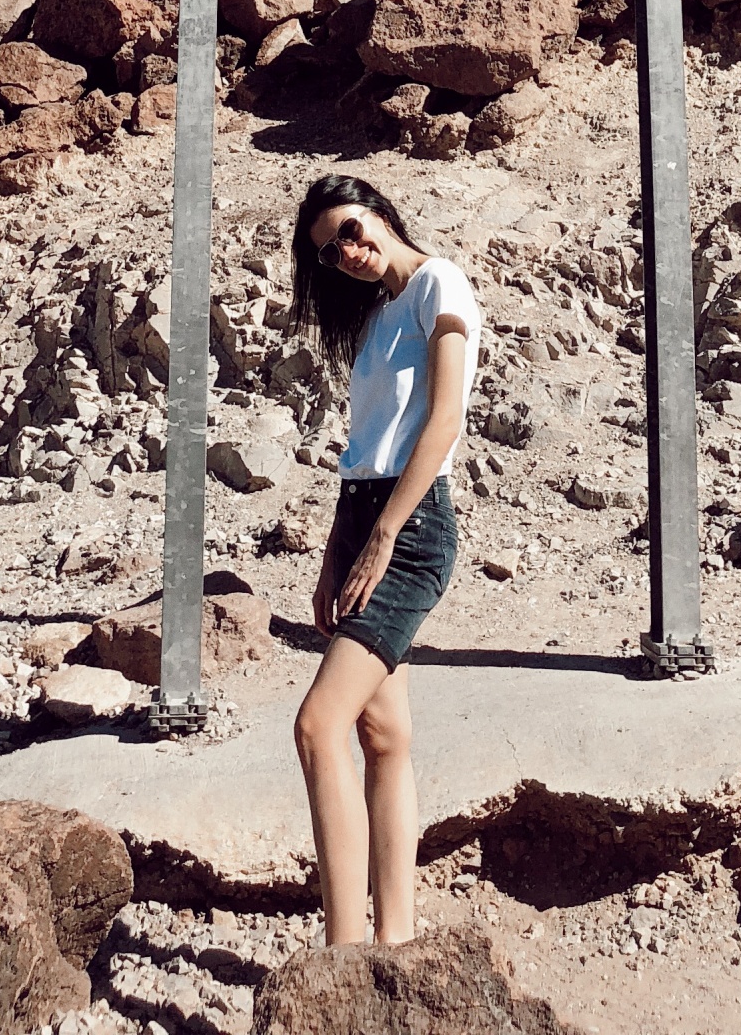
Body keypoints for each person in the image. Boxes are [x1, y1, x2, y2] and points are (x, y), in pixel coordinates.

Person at [288, 173, 482, 948]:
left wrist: (384, 537)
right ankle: (395, 942)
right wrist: (335, 556)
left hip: (412, 527)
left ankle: (341, 951)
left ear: (380, 212)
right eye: (331, 253)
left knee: (316, 724)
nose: (349, 251)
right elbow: (360, 455)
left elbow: (443, 421)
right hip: (366, 519)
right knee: (382, 735)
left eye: (351, 228)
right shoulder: (374, 323)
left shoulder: (440, 281)